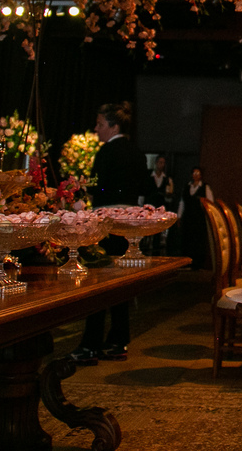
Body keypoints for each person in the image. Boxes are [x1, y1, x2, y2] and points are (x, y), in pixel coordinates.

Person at [69, 102, 150, 365]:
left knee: (99, 283)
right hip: (129, 224)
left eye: (100, 124)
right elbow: (142, 186)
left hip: (106, 223)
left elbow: (99, 188)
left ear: (113, 126)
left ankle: (90, 345)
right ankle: (117, 341)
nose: (96, 129)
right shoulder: (137, 153)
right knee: (120, 284)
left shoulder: (106, 152)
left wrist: (86, 194)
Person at [177, 166, 214, 270]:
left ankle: (198, 264)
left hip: (199, 219)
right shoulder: (186, 187)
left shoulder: (205, 187)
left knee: (198, 240)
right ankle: (186, 263)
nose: (195, 176)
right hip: (188, 218)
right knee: (187, 240)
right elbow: (182, 202)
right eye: (194, 173)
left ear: (201, 175)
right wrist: (179, 216)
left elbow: (210, 203)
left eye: (198, 173)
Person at [141, 156, 176, 255]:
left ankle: (156, 249)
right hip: (149, 205)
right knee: (147, 228)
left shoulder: (167, 179)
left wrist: (168, 195)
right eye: (160, 162)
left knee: (158, 228)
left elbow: (169, 196)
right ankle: (145, 247)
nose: (161, 165)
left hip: (160, 206)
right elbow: (143, 192)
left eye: (163, 163)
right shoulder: (149, 177)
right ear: (156, 163)